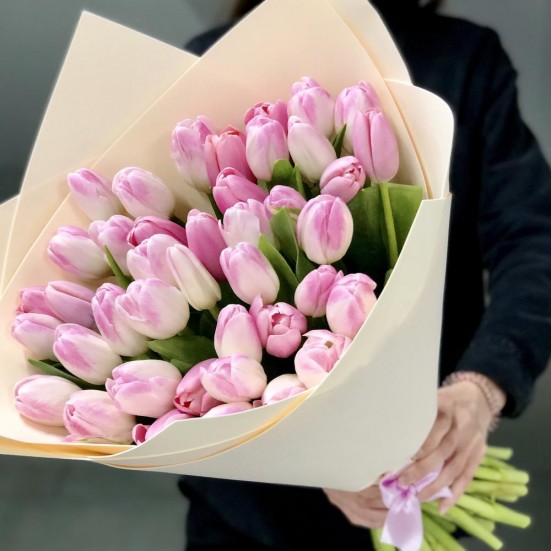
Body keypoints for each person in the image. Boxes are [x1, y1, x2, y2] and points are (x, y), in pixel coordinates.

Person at [179, 0, 551, 548]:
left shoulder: (462, 61)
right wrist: (316, 454)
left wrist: (482, 387)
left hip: (422, 459)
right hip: (248, 509)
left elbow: (534, 241)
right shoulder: (202, 69)